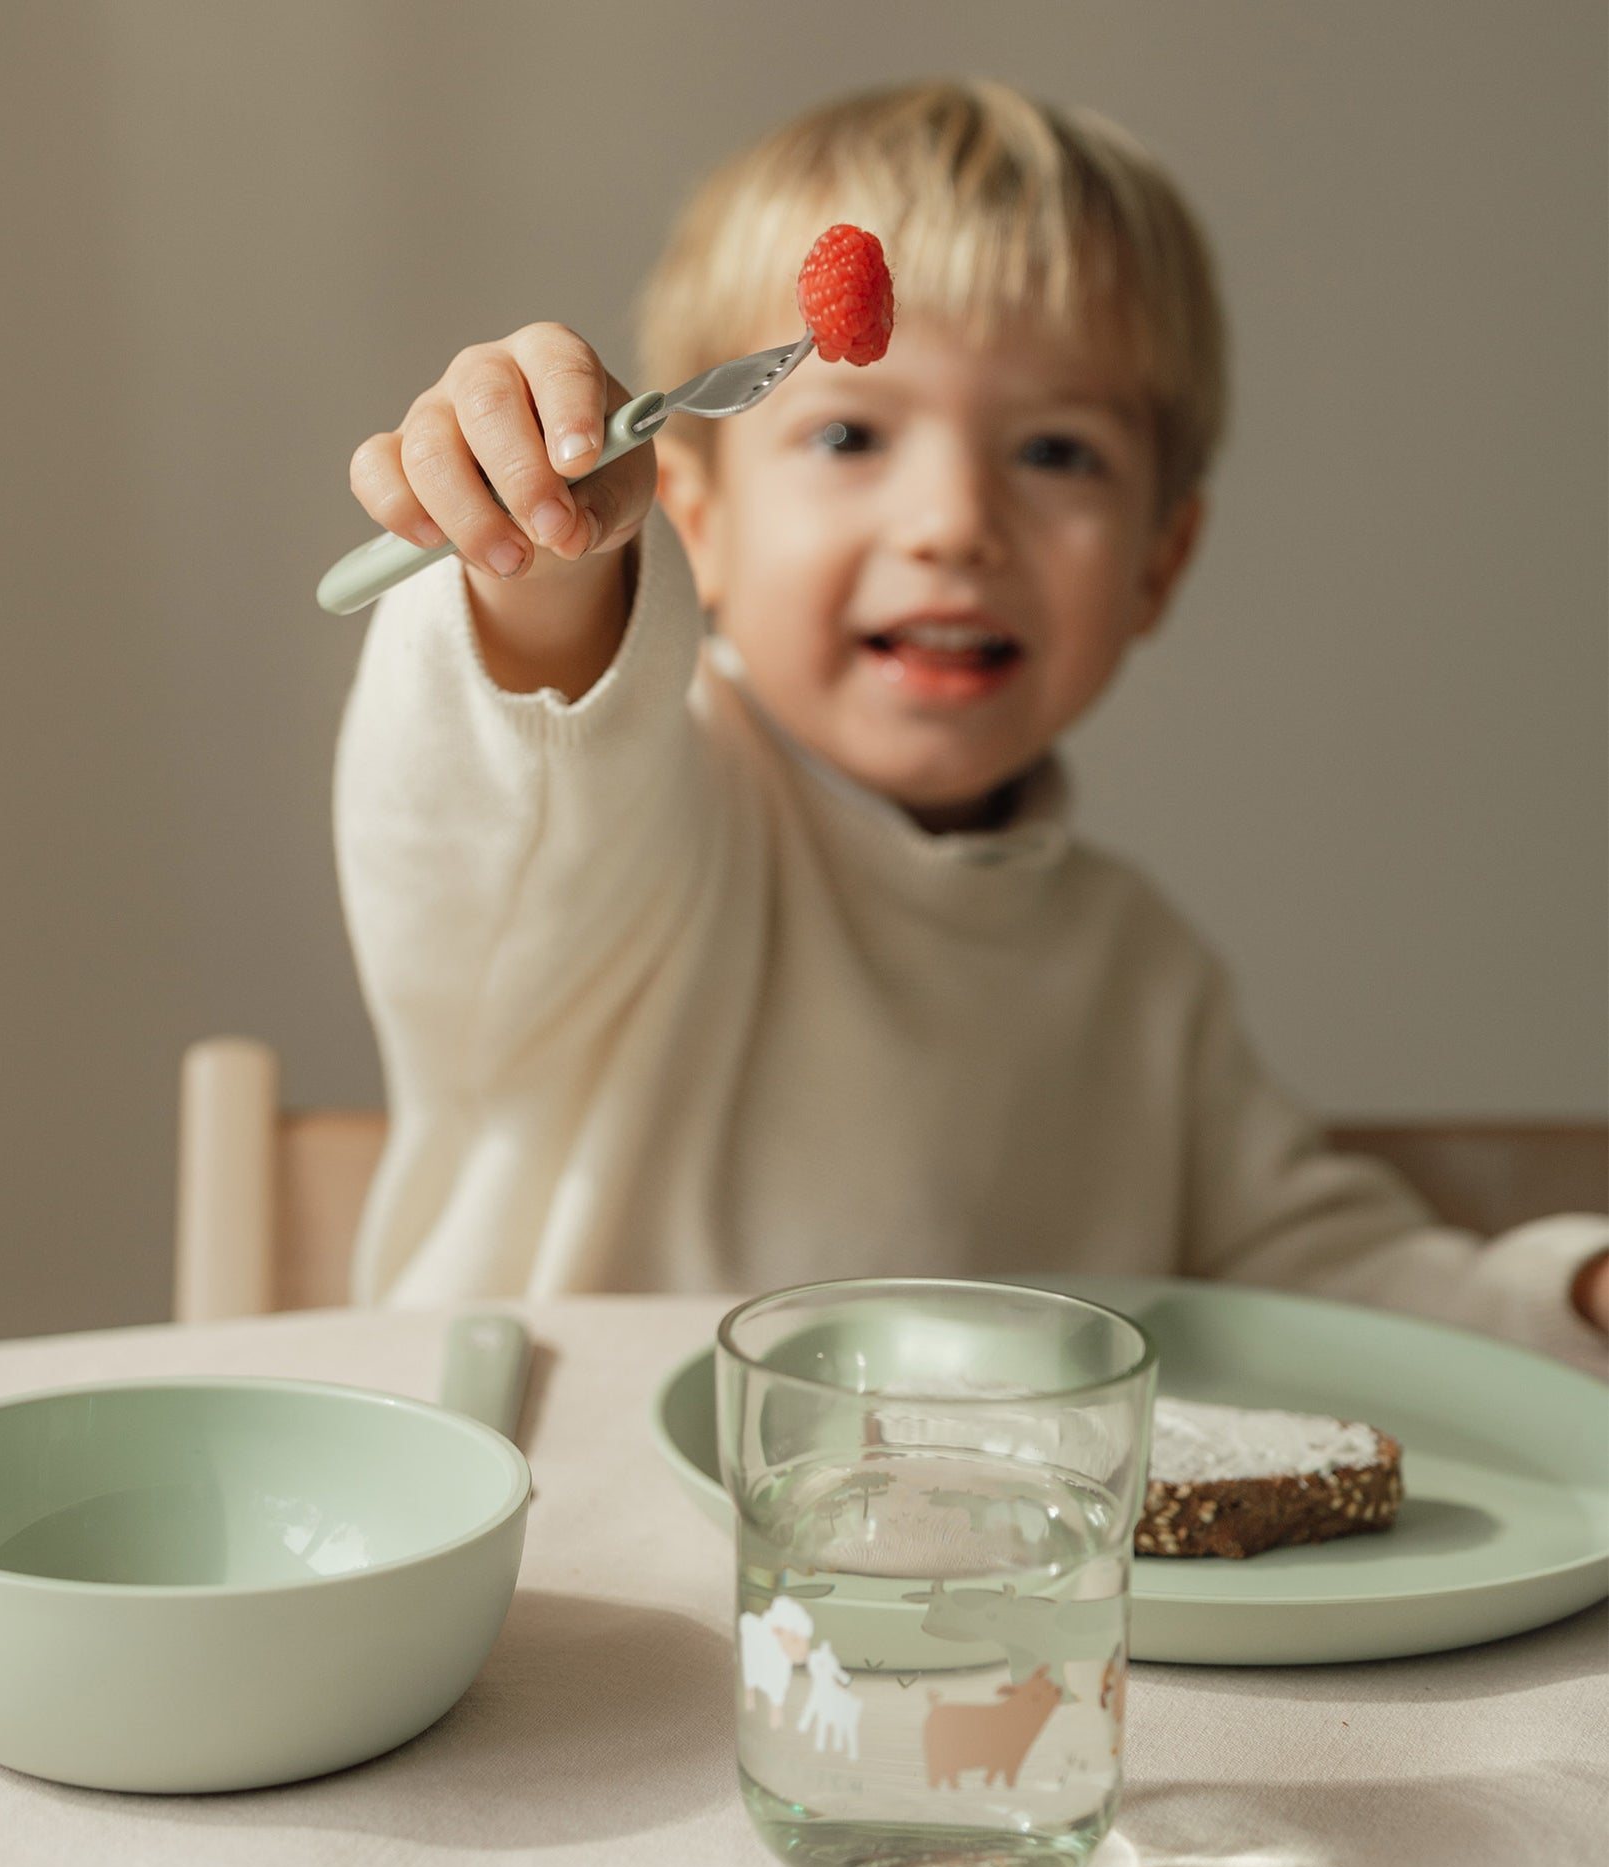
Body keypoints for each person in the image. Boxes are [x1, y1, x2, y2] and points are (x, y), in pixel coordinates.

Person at [333, 79, 1608, 1347]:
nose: (952, 524)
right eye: (847, 437)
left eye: (1053, 452)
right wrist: (552, 559)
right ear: (698, 523)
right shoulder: (641, 835)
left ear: (1158, 562)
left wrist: (1566, 1301)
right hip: (557, 1535)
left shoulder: (1134, 972)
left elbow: (1301, 1280)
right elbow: (526, 766)